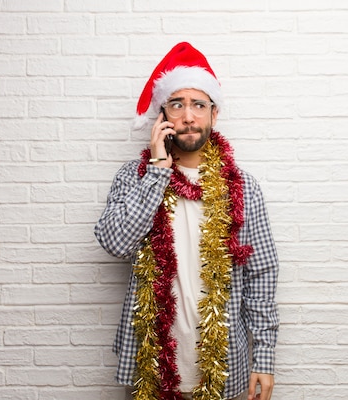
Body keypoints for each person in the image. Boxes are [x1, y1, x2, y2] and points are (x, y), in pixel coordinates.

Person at [94, 42, 279, 400]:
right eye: (177, 104)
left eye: (199, 105)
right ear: (162, 116)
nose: (189, 116)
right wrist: (158, 171)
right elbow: (115, 244)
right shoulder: (134, 178)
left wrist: (265, 358)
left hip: (224, 359)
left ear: (214, 114)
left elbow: (262, 274)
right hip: (152, 361)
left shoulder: (242, 187)